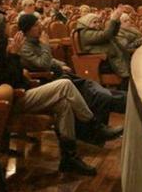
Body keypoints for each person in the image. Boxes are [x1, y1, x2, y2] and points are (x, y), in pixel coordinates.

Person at [0, 14, 116, 176]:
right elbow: (5, 82)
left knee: (63, 104)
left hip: (19, 93)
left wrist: (14, 58)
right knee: (65, 85)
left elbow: (14, 77)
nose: (10, 30)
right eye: (6, 27)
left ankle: (69, 158)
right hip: (8, 102)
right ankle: (94, 126)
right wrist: (14, 56)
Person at [17, 14, 126, 145]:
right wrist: (46, 46)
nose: (40, 27)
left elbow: (48, 60)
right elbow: (42, 63)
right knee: (97, 93)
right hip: (46, 81)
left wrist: (59, 64)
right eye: (35, 25)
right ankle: (97, 129)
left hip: (58, 76)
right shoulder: (24, 46)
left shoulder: (36, 42)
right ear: (27, 29)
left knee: (94, 89)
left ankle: (98, 129)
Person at [75, 7, 131, 80]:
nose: (98, 24)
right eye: (94, 22)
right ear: (86, 23)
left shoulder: (92, 31)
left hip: (107, 60)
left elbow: (112, 34)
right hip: (100, 63)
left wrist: (117, 21)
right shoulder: (86, 33)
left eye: (98, 22)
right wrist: (113, 20)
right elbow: (106, 35)